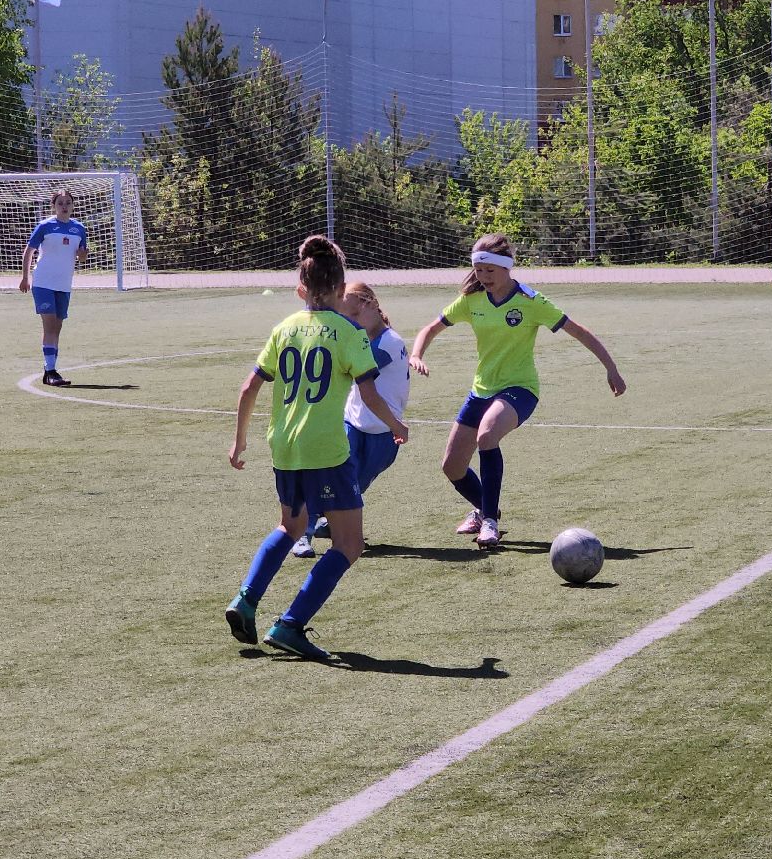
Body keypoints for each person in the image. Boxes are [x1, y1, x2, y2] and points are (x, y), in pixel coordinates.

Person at [225, 236, 409, 663]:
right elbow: (369, 395)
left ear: (301, 289)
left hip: (284, 446)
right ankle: (290, 625)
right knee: (349, 544)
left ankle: (245, 600)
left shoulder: (284, 328)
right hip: (326, 449)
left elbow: (249, 387)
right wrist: (396, 424)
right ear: (341, 290)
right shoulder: (349, 333)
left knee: (290, 527)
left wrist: (239, 440)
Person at [409, 234, 626, 548]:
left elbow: (578, 331)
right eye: (478, 271)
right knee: (452, 467)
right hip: (481, 390)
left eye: (489, 271)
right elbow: (430, 328)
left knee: (487, 434)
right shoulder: (471, 300)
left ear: (506, 267)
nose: (483, 277)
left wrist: (611, 367)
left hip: (520, 389)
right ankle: (485, 509)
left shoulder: (530, 301)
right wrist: (417, 354)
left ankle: (490, 523)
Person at [293, 281, 409, 558]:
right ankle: (303, 534)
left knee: (353, 486)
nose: (352, 323)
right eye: (347, 318)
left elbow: (350, 369)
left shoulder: (390, 342)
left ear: (372, 305)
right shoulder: (362, 339)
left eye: (355, 316)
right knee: (328, 479)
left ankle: (328, 523)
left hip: (384, 433)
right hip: (352, 425)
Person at [19, 188, 88, 387]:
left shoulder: (79, 228)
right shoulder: (45, 226)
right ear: (54, 206)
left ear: (73, 205)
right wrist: (25, 277)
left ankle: (49, 370)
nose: (64, 206)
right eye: (60, 203)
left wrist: (83, 255)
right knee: (49, 326)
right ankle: (50, 372)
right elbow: (29, 251)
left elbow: (81, 256)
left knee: (56, 329)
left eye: (68, 203)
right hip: (43, 283)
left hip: (63, 285)